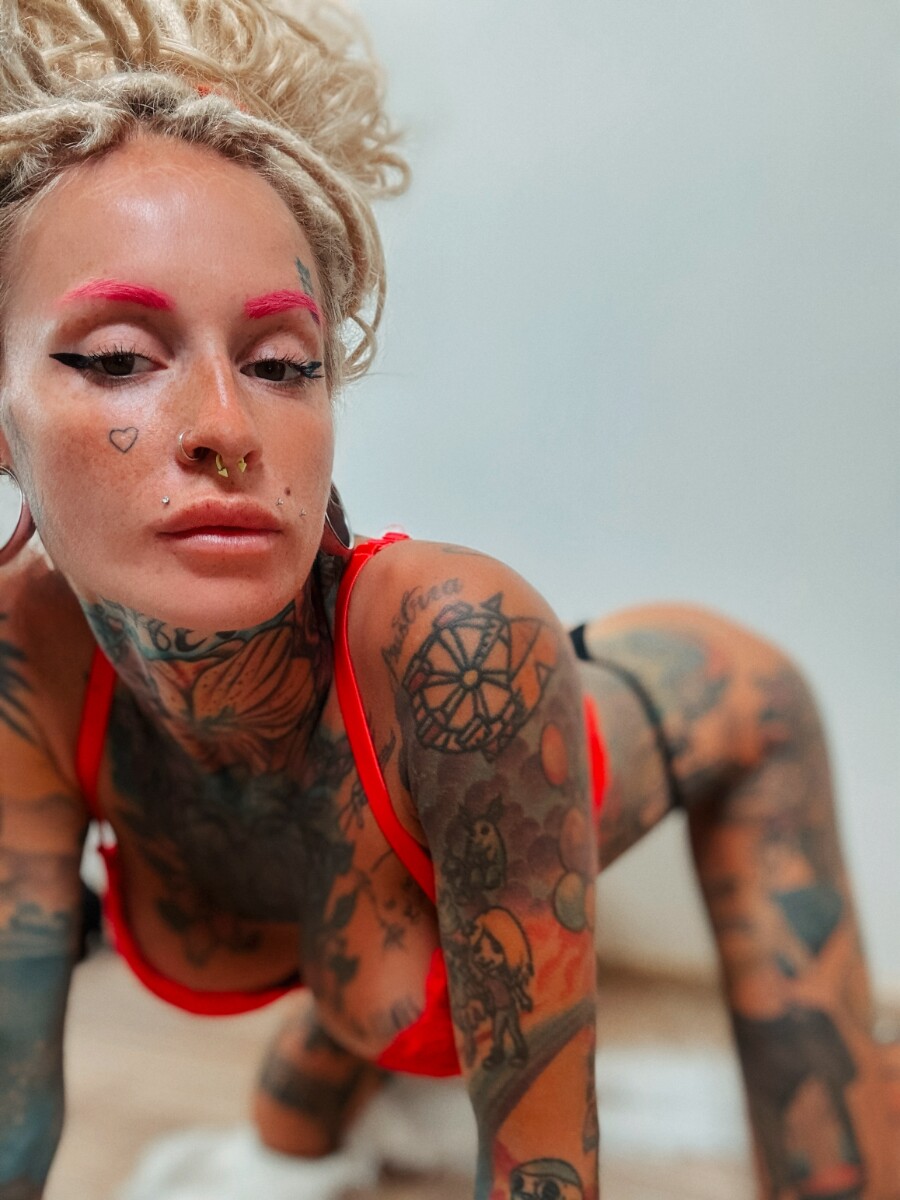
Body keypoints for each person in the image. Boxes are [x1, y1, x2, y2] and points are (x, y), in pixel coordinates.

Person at [0, 2, 896, 1198]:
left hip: (701, 715)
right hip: (387, 870)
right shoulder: (26, 659)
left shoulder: (460, 647)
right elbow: (10, 1098)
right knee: (301, 1101)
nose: (225, 426)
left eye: (283, 366)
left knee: (838, 1170)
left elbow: (546, 1170)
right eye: (117, 358)